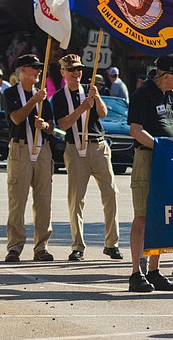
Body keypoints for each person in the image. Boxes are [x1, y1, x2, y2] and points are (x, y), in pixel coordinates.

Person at [126, 53, 173, 292]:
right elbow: (135, 130)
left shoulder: (171, 95)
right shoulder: (144, 93)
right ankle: (135, 273)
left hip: (166, 157)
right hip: (148, 156)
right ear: (165, 75)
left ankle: (154, 270)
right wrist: (159, 146)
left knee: (163, 216)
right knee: (142, 216)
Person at [51, 53, 121, 262]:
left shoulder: (89, 91)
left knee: (111, 193)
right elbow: (63, 124)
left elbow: (103, 114)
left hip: (98, 146)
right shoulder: (59, 97)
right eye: (72, 69)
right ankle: (78, 245)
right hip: (75, 149)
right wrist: (82, 108)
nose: (77, 73)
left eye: (79, 69)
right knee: (76, 199)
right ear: (63, 72)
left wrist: (96, 97)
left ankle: (112, 243)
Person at [2, 54, 56, 263]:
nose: (38, 71)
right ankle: (14, 247)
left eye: (39, 67)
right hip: (21, 148)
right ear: (22, 70)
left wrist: (45, 126)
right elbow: (15, 118)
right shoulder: (10, 93)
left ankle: (41, 247)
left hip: (42, 149)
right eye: (33, 67)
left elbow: (52, 127)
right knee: (18, 200)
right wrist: (34, 100)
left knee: (43, 201)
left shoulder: (42, 96)